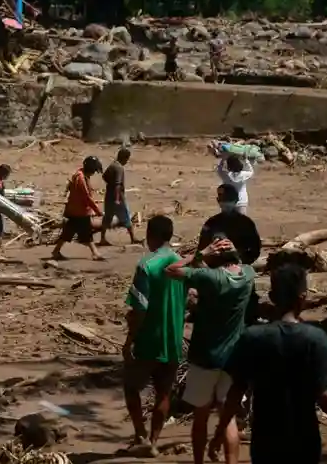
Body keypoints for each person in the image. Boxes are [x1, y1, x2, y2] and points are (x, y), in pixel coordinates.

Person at [210, 263, 327, 464]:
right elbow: (322, 394)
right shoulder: (315, 339)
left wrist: (220, 432)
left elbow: (236, 392)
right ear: (303, 297)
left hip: (265, 440)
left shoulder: (253, 337)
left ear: (272, 297)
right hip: (304, 440)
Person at [166, 240, 256, 464]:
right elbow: (236, 266)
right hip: (233, 358)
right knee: (228, 418)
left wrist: (201, 253)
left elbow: (171, 270)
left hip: (204, 356)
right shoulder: (248, 274)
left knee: (201, 416)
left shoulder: (209, 277)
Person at [122, 215, 186, 457]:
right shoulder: (182, 264)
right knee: (163, 392)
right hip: (173, 338)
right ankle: (154, 440)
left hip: (149, 338)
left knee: (131, 388)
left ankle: (140, 434)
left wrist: (129, 341)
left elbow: (139, 309)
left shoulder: (146, 265)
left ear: (151, 235)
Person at [51, 156, 105, 262]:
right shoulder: (80, 178)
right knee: (85, 233)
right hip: (78, 211)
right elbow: (86, 197)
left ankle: (56, 251)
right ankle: (95, 253)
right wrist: (97, 211)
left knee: (69, 233)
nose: (94, 173)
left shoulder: (81, 175)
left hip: (75, 210)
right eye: (94, 170)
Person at [99, 147, 137, 246]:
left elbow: (104, 177)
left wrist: (110, 184)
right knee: (126, 217)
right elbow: (118, 185)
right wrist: (117, 199)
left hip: (109, 196)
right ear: (125, 158)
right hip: (118, 197)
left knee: (107, 218)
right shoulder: (119, 168)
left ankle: (102, 239)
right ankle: (133, 238)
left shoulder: (112, 165)